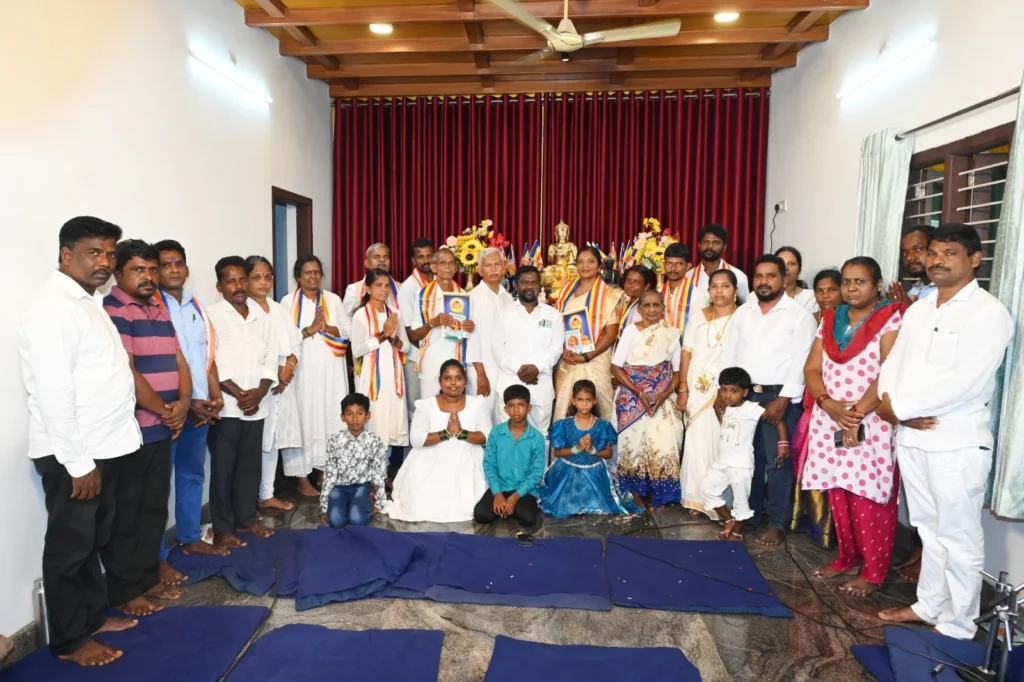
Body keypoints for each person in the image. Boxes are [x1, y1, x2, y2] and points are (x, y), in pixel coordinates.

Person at [876, 223, 1012, 640]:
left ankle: (959, 623)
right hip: (912, 436)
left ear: (974, 259)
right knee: (928, 529)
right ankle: (929, 605)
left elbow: (967, 381)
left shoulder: (988, 313)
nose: (937, 260)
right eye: (933, 253)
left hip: (956, 441)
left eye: (949, 253)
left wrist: (902, 408)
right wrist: (890, 407)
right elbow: (894, 362)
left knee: (958, 535)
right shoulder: (920, 309)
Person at [18, 217, 141, 667]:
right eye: (94, 252)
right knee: (70, 549)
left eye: (110, 253)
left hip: (102, 447)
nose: (105, 262)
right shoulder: (52, 308)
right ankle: (70, 640)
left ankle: (92, 618)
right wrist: (78, 463)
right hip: (75, 454)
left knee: (93, 541)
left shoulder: (88, 302)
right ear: (66, 254)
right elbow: (53, 394)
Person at [802, 257, 904, 597]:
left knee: (868, 496)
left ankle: (873, 573)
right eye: (846, 281)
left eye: (860, 282)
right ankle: (846, 558)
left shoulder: (890, 317)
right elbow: (812, 368)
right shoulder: (832, 318)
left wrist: (855, 414)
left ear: (877, 284)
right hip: (831, 415)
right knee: (839, 491)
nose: (851, 288)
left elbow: (889, 371)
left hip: (870, 419)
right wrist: (828, 404)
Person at [102, 239, 192, 616]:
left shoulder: (158, 306)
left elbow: (179, 358)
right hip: (134, 431)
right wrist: (166, 410)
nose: (149, 276)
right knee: (129, 513)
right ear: (118, 273)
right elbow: (126, 369)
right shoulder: (113, 310)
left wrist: (183, 403)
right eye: (138, 269)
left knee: (154, 508)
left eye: (152, 269)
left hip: (163, 426)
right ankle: (126, 590)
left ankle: (147, 576)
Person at [719, 254, 817, 547]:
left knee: (777, 462)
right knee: (747, 459)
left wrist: (784, 399)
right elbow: (729, 353)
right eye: (759, 276)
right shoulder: (743, 312)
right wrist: (722, 391)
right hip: (744, 396)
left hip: (778, 398)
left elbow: (802, 361)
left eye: (771, 276)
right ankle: (747, 514)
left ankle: (777, 522)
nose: (763, 281)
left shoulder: (798, 316)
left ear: (784, 280)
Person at [153, 240, 226, 559]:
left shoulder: (197, 306)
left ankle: (189, 536)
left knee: (192, 472)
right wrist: (186, 402)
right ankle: (157, 555)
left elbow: (206, 356)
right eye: (165, 264)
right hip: (168, 410)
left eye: (178, 263)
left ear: (186, 269)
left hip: (199, 408)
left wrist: (215, 396)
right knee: (157, 486)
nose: (173, 269)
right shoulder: (153, 307)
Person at [206, 257, 278, 549]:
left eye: (242, 280)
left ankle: (247, 519)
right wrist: (238, 394)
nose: (238, 286)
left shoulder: (262, 316)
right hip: (227, 406)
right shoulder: (211, 315)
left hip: (257, 404)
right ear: (219, 286)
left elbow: (271, 356)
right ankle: (223, 529)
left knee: (250, 466)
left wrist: (260, 392)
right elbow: (211, 360)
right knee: (224, 470)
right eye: (230, 281)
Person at [388, 360, 492, 523]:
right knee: (420, 506)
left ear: (465, 381)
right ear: (440, 381)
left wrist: (462, 433)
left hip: (468, 458)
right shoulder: (426, 406)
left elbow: (487, 436)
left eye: (458, 378)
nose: (453, 383)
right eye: (447, 378)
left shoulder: (477, 405)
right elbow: (416, 439)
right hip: (430, 459)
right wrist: (446, 433)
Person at [280, 255, 350, 496]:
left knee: (330, 415)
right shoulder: (287, 302)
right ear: (298, 277)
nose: (313, 276)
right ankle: (302, 478)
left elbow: (347, 331)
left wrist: (328, 328)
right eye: (307, 272)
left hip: (331, 370)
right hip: (303, 371)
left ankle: (324, 471)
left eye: (316, 272)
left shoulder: (333, 299)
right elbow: (284, 338)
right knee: (303, 417)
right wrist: (310, 329)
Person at [612, 290, 685, 509]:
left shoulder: (671, 334)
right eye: (647, 305)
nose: (652, 310)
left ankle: (659, 493)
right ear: (639, 309)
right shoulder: (630, 332)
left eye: (656, 305)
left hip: (663, 396)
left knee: (663, 444)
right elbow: (615, 367)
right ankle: (634, 492)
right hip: (632, 397)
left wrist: (663, 394)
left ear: (663, 308)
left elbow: (678, 371)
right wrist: (638, 391)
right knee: (633, 445)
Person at [789, 267, 843, 548]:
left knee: (838, 464)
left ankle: (836, 531)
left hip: (842, 399)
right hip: (814, 397)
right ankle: (813, 524)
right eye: (820, 291)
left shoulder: (848, 321)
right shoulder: (810, 320)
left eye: (831, 290)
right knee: (807, 456)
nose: (825, 296)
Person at [679, 269, 739, 518]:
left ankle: (719, 501)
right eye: (714, 286)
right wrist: (683, 388)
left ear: (735, 291)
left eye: (725, 286)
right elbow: (686, 353)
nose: (719, 291)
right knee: (696, 441)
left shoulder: (742, 317)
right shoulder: (698, 316)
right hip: (698, 389)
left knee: (721, 443)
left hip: (727, 389)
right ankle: (697, 498)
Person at [244, 256, 301, 512]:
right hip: (259, 384)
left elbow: (296, 343)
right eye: (257, 277)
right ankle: (248, 499)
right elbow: (249, 352)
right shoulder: (244, 309)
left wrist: (288, 368)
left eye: (268, 277)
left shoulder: (279, 309)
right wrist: (276, 373)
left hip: (283, 382)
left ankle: (267, 494)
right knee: (257, 441)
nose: (264, 282)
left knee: (273, 439)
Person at [540, 380, 640, 518]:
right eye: (580, 400)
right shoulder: (563, 425)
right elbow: (557, 452)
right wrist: (577, 448)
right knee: (564, 503)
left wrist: (593, 451)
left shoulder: (603, 426)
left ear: (594, 401)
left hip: (594, 472)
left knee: (600, 504)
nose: (584, 404)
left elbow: (608, 453)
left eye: (588, 400)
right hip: (568, 472)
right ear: (573, 401)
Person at [700, 367, 779, 541]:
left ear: (745, 392)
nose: (727, 395)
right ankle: (729, 520)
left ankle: (737, 533)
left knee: (740, 501)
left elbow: (776, 420)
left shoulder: (751, 408)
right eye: (724, 390)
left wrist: (783, 443)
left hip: (741, 465)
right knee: (707, 489)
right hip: (722, 462)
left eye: (733, 391)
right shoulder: (725, 407)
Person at [490, 265, 563, 433]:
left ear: (540, 285)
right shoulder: (503, 313)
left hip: (541, 387)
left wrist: (537, 368)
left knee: (540, 437)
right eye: (524, 282)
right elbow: (497, 347)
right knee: (509, 437)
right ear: (516, 285)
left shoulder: (552, 315)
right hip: (510, 384)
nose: (529, 287)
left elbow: (556, 348)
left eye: (533, 282)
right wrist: (519, 370)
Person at [553, 246, 623, 421]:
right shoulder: (565, 292)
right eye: (581, 262)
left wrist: (586, 357)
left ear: (600, 266)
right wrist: (563, 350)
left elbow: (611, 334)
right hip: (570, 358)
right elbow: (558, 327)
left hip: (597, 358)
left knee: (600, 407)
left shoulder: (610, 294)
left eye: (591, 262)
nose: (585, 266)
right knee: (566, 408)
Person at [351, 268, 411, 448]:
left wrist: (393, 338)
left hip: (393, 375)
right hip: (371, 378)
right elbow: (357, 350)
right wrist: (383, 335)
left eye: (386, 286)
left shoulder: (394, 313)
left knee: (392, 423)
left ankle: (386, 464)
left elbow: (406, 347)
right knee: (375, 420)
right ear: (368, 289)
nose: (384, 290)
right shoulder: (360, 315)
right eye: (378, 285)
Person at [474, 385, 546, 528]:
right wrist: (497, 494)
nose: (516, 410)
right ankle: (505, 508)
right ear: (505, 409)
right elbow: (489, 465)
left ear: (529, 407)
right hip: (501, 486)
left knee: (528, 519)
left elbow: (536, 472)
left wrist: (514, 498)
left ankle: (508, 508)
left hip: (524, 490)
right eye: (511, 406)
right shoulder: (496, 433)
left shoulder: (537, 437)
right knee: (481, 514)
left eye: (521, 405)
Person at [407, 247, 474, 398]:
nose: (447, 267)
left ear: (456, 268)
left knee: (454, 407)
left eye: (451, 263)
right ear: (434, 267)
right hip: (431, 364)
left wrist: (471, 327)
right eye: (443, 263)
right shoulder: (422, 296)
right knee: (430, 407)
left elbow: (472, 332)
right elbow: (414, 335)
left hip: (456, 361)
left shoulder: (464, 296)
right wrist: (433, 323)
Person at [319, 393, 388, 528]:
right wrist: (325, 506)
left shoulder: (374, 441)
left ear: (367, 416)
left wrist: (380, 502)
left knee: (356, 520)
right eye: (349, 414)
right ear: (342, 417)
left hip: (361, 487)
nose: (355, 419)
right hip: (339, 487)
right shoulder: (335, 440)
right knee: (335, 521)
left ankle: (367, 502)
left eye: (360, 413)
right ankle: (346, 505)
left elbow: (378, 473)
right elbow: (329, 474)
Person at [468, 247, 515, 416]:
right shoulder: (473, 297)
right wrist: (480, 374)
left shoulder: (508, 298)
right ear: (480, 271)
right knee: (482, 415)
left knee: (504, 415)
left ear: (504, 267)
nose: (494, 269)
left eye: (497, 264)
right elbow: (471, 338)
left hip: (506, 369)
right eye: (488, 265)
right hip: (483, 368)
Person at [398, 238, 435, 418]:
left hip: (437, 354)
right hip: (415, 356)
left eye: (429, 256)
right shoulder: (408, 287)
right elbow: (408, 331)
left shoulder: (440, 282)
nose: (426, 260)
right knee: (416, 406)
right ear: (413, 260)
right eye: (421, 257)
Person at [685, 223, 751, 303]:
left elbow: (746, 307)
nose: (710, 246)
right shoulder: (687, 277)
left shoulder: (739, 276)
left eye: (716, 243)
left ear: (724, 247)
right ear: (699, 245)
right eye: (706, 242)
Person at [662, 243, 710, 339]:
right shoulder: (658, 293)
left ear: (688, 266)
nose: (673, 268)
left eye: (678, 264)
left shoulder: (697, 296)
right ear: (664, 265)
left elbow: (698, 331)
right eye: (669, 263)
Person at [887, 225, 936, 307]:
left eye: (918, 249)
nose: (909, 257)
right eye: (905, 253)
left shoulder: (947, 291)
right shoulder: (916, 289)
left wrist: (908, 307)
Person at [342, 243, 396, 316]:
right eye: (376, 257)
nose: (382, 260)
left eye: (386, 257)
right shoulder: (354, 289)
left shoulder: (400, 288)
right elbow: (346, 320)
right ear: (366, 263)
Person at [613, 265, 656, 337]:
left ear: (647, 286)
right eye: (628, 280)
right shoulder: (627, 302)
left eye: (636, 282)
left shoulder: (644, 308)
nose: (630, 285)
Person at [775, 246, 818, 312]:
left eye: (792, 263)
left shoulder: (812, 298)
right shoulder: (761, 296)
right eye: (781, 263)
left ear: (799, 269)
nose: (786, 268)